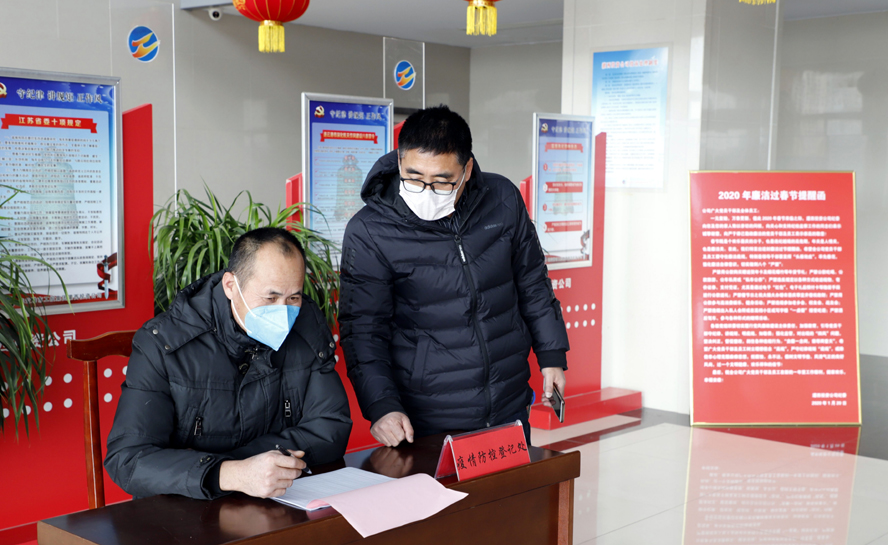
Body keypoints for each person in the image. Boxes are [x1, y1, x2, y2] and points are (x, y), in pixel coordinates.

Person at [339, 105, 569, 448]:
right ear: (400, 162)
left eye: (442, 181)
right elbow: (363, 329)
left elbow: (532, 283)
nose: (426, 191)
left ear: (467, 169)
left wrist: (552, 357)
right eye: (414, 178)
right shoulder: (369, 231)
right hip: (428, 415)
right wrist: (381, 406)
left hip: (508, 401)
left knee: (513, 485)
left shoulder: (503, 199)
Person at [105, 228, 352, 500]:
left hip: (281, 499)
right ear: (230, 286)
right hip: (187, 508)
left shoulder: (306, 326)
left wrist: (251, 467)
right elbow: (128, 459)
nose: (284, 311)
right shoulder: (164, 343)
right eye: (270, 298)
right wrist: (230, 473)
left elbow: (331, 427)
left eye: (293, 297)